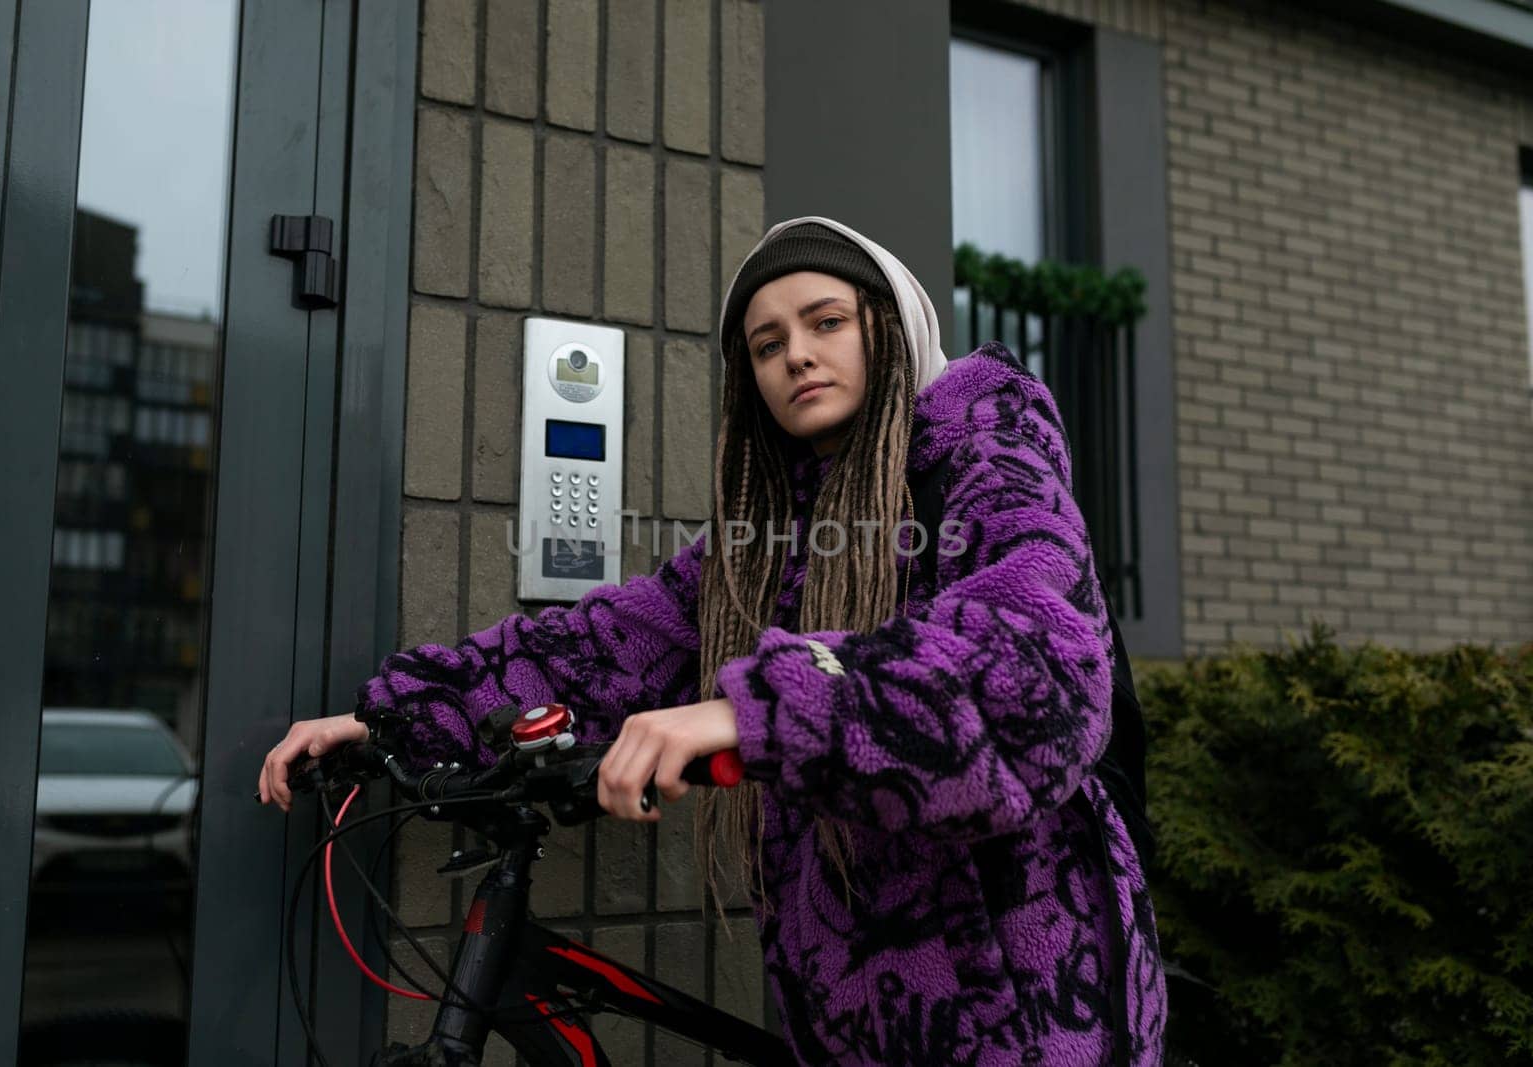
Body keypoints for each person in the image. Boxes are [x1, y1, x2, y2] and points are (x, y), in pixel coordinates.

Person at [258, 216, 1167, 1065]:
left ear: (887, 327)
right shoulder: (767, 533)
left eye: (825, 322)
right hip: (850, 989)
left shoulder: (988, 445)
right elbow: (604, 645)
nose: (796, 356)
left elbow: (1035, 659)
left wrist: (759, 707)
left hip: (1026, 983)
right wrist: (392, 720)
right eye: (767, 344)